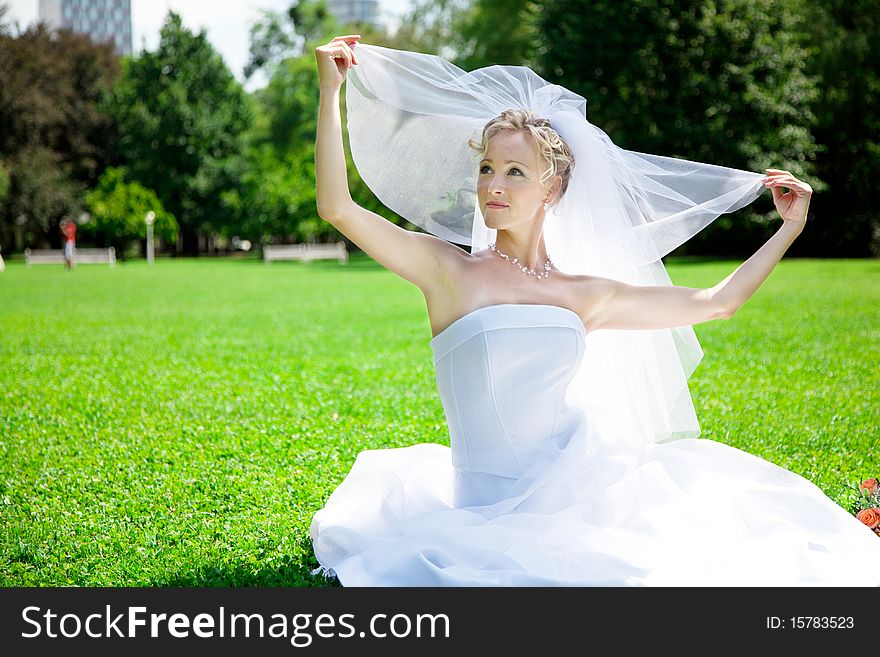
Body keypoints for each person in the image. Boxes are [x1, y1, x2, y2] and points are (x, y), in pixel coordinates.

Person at [309, 35, 880, 586]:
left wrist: (788, 230)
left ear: (552, 189)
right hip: (485, 505)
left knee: (688, 551)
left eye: (515, 172)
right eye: (486, 169)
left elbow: (717, 303)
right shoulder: (447, 270)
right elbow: (337, 206)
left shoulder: (585, 293)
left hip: (579, 481)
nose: (493, 187)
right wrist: (330, 91)